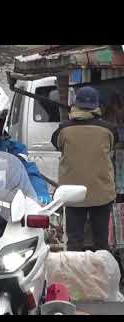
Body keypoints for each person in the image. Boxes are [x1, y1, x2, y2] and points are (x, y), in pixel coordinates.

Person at [51, 86, 117, 251]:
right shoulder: (108, 129)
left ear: (75, 104)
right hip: (101, 193)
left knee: (74, 240)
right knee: (101, 241)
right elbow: (112, 145)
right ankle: (101, 274)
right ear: (97, 106)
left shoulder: (63, 129)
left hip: (73, 194)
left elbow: (57, 145)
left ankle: (75, 274)